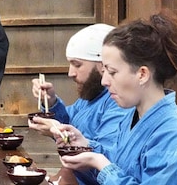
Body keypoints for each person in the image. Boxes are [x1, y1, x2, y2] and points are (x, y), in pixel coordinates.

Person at [54, 9, 177, 184]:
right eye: (104, 71)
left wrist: (99, 163)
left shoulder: (173, 133)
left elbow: (111, 168)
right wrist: (87, 146)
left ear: (142, 74)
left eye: (112, 72)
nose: (104, 81)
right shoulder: (133, 116)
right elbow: (120, 162)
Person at [29, 24, 130, 185]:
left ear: (102, 65)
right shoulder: (90, 96)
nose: (71, 73)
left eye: (77, 64)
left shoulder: (118, 102)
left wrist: (62, 134)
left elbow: (109, 159)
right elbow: (69, 121)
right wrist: (51, 102)